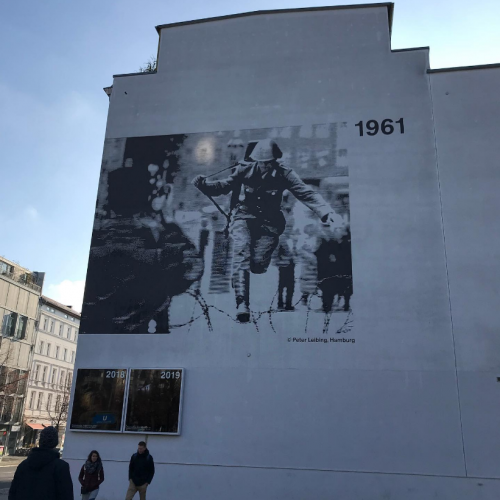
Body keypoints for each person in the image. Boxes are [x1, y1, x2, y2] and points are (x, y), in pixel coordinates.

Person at [193, 139, 341, 322]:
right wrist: (204, 185)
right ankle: (242, 303)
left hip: (270, 224)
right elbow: (224, 186)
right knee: (242, 252)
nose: (264, 166)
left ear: (275, 161)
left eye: (268, 162)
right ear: (255, 160)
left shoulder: (284, 173)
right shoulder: (244, 169)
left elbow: (305, 192)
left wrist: (326, 212)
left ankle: (257, 265)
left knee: (258, 264)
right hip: (244, 217)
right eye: (260, 162)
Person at [8, 426, 73, 500]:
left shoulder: (24, 465)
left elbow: (13, 492)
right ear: (55, 442)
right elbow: (66, 494)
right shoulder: (61, 467)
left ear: (40, 441)